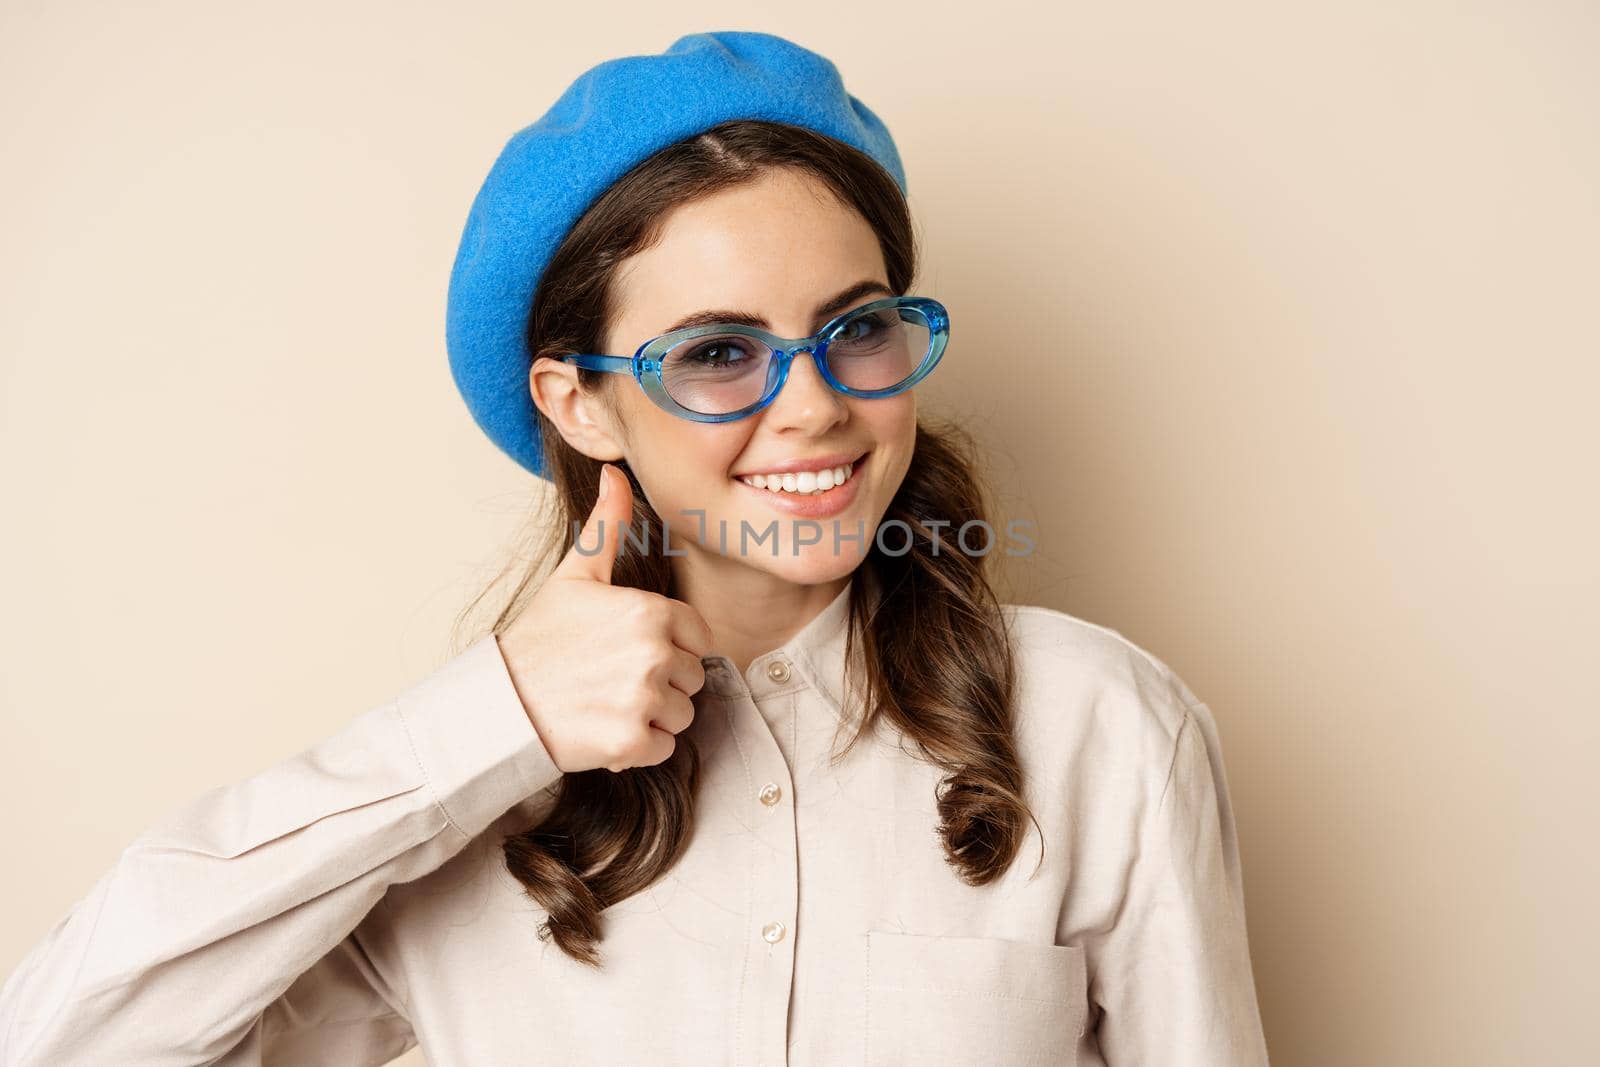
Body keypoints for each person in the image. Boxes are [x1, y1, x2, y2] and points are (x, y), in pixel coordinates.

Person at [0, 30, 1270, 1066]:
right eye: (717, 352)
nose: (817, 404)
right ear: (579, 401)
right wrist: (490, 718)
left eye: (857, 328)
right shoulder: (473, 801)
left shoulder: (1097, 725)